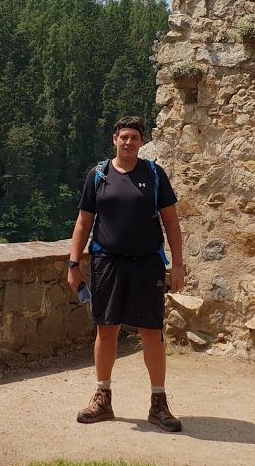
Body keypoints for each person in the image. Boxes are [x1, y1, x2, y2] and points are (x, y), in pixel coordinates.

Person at [65, 116, 187, 432]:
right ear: (114, 140)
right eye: (124, 137)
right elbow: (83, 223)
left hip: (148, 263)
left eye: (134, 137)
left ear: (142, 142)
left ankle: (158, 404)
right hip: (107, 262)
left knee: (151, 332)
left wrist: (178, 266)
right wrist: (73, 264)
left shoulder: (155, 175)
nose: (129, 142)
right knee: (106, 329)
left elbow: (171, 223)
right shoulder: (98, 175)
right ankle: (102, 398)